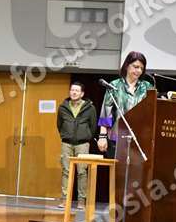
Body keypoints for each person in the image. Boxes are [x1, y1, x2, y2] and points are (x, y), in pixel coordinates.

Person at [97, 51, 153, 157]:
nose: (139, 71)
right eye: (136, 67)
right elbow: (106, 113)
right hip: (117, 138)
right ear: (127, 66)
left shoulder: (147, 87)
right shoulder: (114, 85)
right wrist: (102, 137)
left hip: (140, 139)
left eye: (141, 68)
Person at [56, 81, 97, 209]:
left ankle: (81, 201)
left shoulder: (90, 108)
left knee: (82, 172)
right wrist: (66, 135)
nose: (74, 92)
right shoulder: (63, 107)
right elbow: (59, 125)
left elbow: (93, 126)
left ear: (82, 93)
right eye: (72, 90)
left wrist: (85, 136)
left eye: (77, 90)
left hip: (82, 144)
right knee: (66, 171)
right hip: (66, 143)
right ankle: (64, 199)